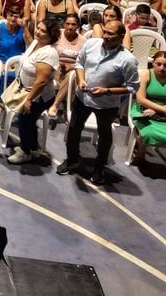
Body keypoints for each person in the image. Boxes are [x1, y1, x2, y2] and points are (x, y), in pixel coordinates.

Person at [56, 20, 138, 185]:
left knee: (104, 135)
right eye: (105, 32)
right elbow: (80, 63)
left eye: (110, 34)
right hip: (83, 98)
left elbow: (132, 87)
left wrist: (107, 91)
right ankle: (72, 160)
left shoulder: (128, 60)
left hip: (106, 105)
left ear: (121, 36)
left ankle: (99, 168)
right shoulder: (91, 44)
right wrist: (81, 80)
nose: (105, 36)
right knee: (74, 129)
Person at [6, 20, 59, 165]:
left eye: (43, 31)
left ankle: (25, 152)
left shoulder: (49, 53)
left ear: (51, 36)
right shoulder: (36, 43)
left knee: (24, 121)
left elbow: (41, 81)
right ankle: (34, 149)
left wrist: (29, 100)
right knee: (30, 121)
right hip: (28, 91)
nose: (38, 32)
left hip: (38, 96)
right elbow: (29, 44)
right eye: (38, 28)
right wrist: (24, 27)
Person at [129, 51, 166, 164]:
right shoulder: (146, 75)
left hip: (163, 113)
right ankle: (140, 154)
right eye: (159, 64)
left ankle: (139, 144)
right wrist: (163, 109)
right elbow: (140, 99)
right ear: (153, 63)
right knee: (147, 133)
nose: (162, 68)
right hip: (143, 109)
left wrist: (156, 110)